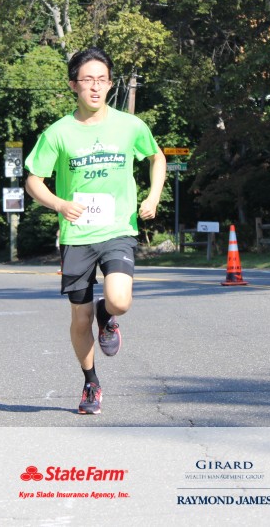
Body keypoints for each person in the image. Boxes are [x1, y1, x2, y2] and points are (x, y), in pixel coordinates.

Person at [25, 47, 166, 415]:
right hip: (77, 235)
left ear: (110, 84)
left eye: (101, 80)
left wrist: (153, 196)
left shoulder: (130, 126)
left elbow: (157, 157)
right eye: (87, 80)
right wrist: (59, 204)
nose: (94, 87)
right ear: (74, 85)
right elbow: (33, 180)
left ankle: (108, 315)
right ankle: (90, 382)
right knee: (80, 318)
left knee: (120, 300)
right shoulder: (58, 133)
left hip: (117, 229)